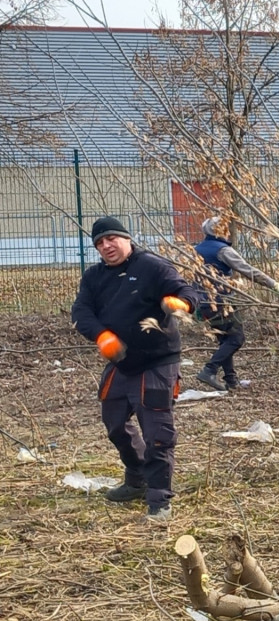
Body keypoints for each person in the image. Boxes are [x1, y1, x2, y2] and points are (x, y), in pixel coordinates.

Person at [71, 216, 200, 523]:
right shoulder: (94, 277)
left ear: (126, 239)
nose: (106, 246)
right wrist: (101, 335)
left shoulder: (153, 267)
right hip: (121, 361)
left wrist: (179, 304)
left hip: (157, 360)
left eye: (111, 239)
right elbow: (81, 310)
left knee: (157, 431)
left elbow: (189, 293)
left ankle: (159, 498)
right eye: (100, 243)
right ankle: (137, 479)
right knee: (114, 422)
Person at [193, 216, 279, 391]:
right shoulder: (222, 250)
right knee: (236, 339)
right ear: (219, 231)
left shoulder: (195, 250)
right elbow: (248, 271)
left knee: (225, 339)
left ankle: (231, 381)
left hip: (204, 302)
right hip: (223, 301)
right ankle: (209, 370)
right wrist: (274, 285)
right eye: (226, 229)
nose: (228, 232)